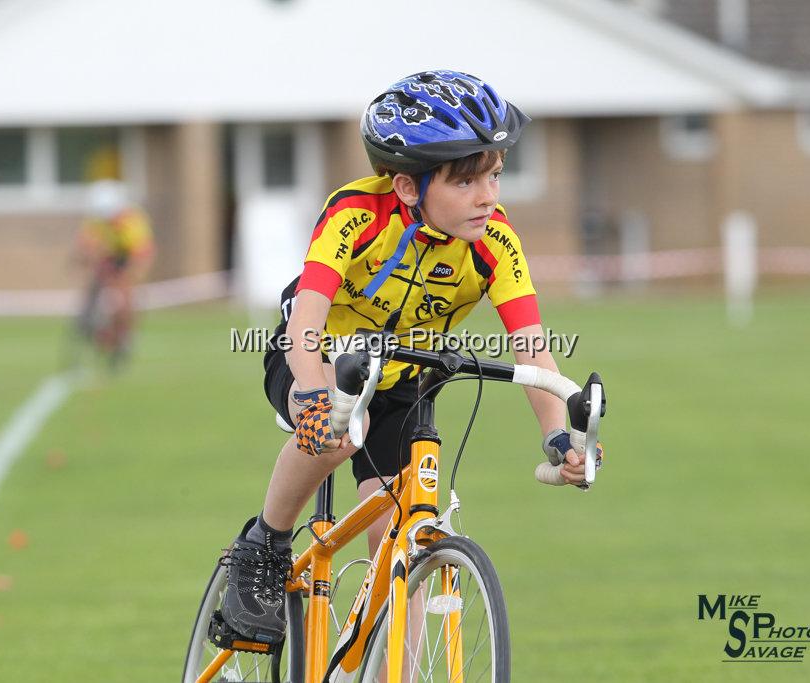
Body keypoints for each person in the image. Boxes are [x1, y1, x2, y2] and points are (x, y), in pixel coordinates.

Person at [222, 70, 597, 644]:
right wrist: (311, 389)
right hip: (318, 356)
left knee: (401, 548)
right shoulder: (354, 214)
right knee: (344, 429)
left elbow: (532, 350)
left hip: (403, 379)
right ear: (406, 187)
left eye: (495, 175)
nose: (489, 196)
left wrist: (557, 436)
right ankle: (264, 545)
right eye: (467, 182)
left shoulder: (496, 241)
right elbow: (307, 316)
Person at [75, 180, 154, 363]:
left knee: (125, 297)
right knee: (95, 288)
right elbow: (85, 247)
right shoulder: (94, 221)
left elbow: (141, 257)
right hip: (107, 256)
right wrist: (87, 260)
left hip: (128, 257)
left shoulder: (132, 222)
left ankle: (124, 335)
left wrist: (131, 278)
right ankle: (92, 323)